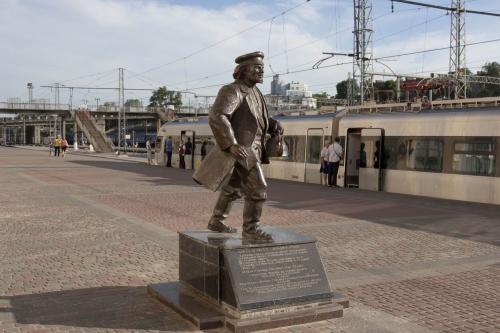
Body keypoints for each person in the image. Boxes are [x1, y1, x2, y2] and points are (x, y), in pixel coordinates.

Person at [192, 51, 283, 240]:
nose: (261, 71)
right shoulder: (232, 90)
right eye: (256, 68)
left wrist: (273, 124)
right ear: (242, 71)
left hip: (255, 149)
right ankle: (251, 230)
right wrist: (231, 144)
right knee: (258, 188)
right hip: (243, 149)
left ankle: (216, 220)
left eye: (262, 68)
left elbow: (257, 118)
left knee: (234, 188)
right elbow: (218, 115)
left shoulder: (255, 92)